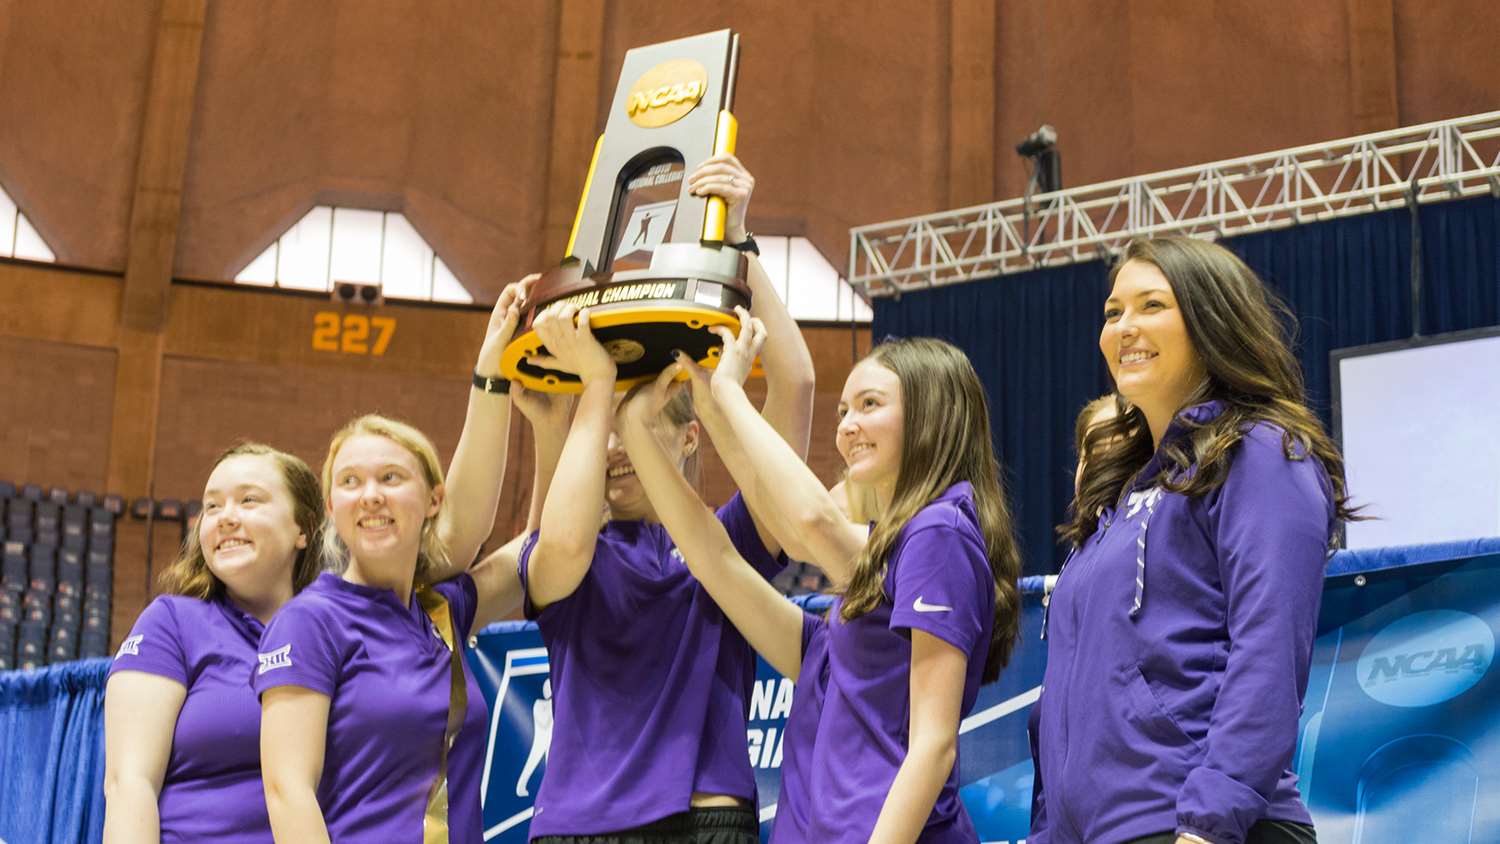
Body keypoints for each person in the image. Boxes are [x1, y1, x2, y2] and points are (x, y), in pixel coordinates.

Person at [617, 320, 1023, 843]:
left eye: (870, 404)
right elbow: (715, 558)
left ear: (931, 413)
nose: (847, 426)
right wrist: (637, 423)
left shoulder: (941, 529)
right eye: (843, 411)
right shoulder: (841, 633)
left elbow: (933, 745)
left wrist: (729, 397)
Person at [515, 155, 816, 843]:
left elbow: (795, 385)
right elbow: (557, 538)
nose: (620, 444)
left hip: (706, 815)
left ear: (688, 441)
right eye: (608, 424)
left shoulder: (726, 540)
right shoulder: (567, 545)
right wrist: (588, 400)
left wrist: (740, 241)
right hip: (575, 826)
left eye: (644, 419)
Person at [1030, 236, 1357, 844]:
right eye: (1112, 312)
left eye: (1151, 305)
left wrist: (1208, 821)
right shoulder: (1118, 498)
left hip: (1205, 827)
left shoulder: (1261, 450)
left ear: (1212, 320)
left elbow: (1269, 645)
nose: (1124, 327)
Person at [253, 278, 539, 843]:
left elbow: (539, 550)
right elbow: (287, 791)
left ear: (433, 501)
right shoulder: (309, 622)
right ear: (332, 508)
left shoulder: (440, 614)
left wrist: (522, 394)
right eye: (351, 482)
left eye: (391, 478)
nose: (372, 495)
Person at [102, 442, 323, 843]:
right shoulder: (171, 622)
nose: (225, 518)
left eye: (249, 500)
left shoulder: (336, 631)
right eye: (213, 506)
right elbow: (129, 785)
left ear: (303, 529)